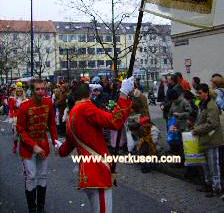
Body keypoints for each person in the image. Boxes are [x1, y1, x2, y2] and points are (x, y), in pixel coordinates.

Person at [56, 77, 134, 213]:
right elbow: (114, 121)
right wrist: (123, 94)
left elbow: (68, 145)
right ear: (90, 95)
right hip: (98, 171)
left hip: (87, 173)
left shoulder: (72, 114)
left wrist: (60, 148)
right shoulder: (86, 107)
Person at [17, 78, 58, 213]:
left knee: (43, 175)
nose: (41, 92)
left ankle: (40, 208)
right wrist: (33, 146)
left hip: (43, 145)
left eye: (43, 88)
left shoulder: (49, 103)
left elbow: (52, 123)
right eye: (38, 89)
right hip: (28, 148)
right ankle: (32, 209)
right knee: (31, 176)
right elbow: (20, 129)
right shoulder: (24, 106)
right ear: (32, 90)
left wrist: (55, 141)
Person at [192, 83, 223, 197]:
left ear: (206, 93)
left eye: (200, 93)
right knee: (205, 164)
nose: (198, 95)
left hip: (212, 139)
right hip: (204, 138)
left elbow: (212, 124)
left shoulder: (211, 105)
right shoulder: (202, 104)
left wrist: (197, 130)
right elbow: (201, 119)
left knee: (213, 164)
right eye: (197, 93)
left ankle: (216, 188)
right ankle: (208, 184)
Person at [9, 85, 27, 153]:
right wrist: (11, 117)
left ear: (22, 92)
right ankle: (15, 146)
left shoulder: (25, 99)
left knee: (24, 133)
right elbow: (11, 109)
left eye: (20, 91)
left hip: (23, 118)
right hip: (15, 117)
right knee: (15, 134)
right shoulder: (13, 99)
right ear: (16, 92)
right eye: (18, 91)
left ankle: (23, 147)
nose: (19, 92)